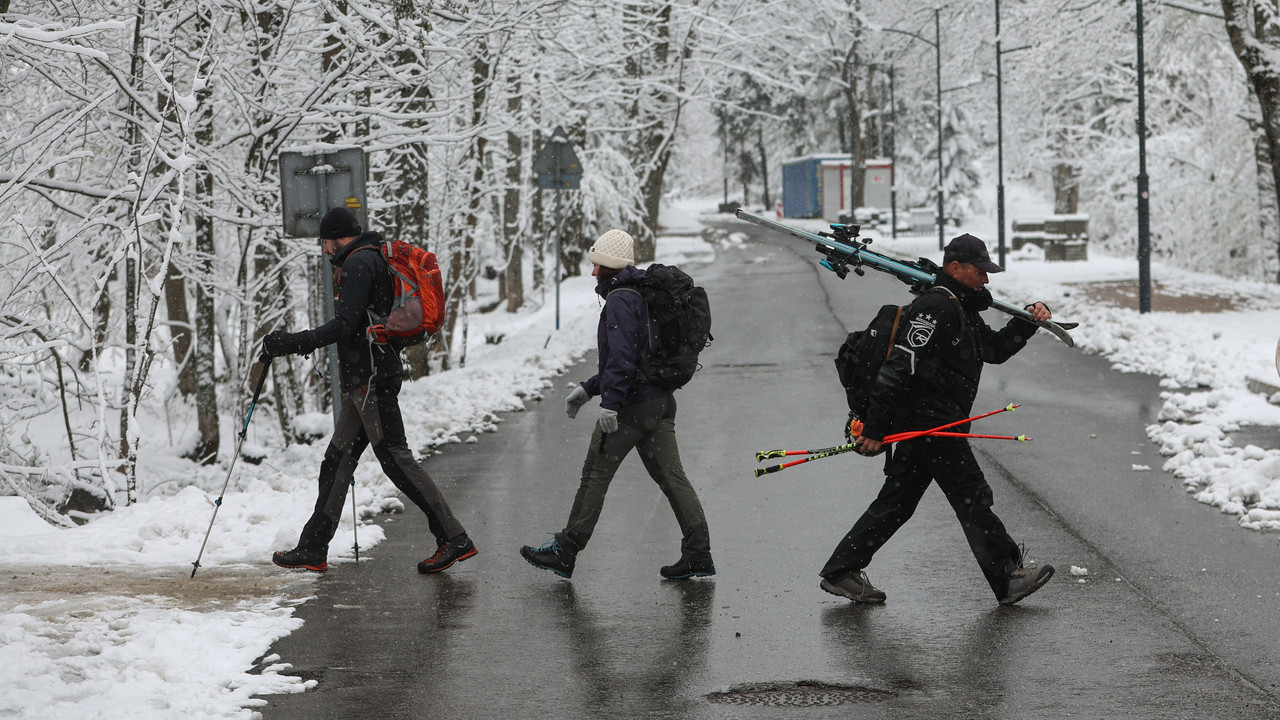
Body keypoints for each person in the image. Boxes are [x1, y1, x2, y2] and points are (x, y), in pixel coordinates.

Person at [820, 233, 1055, 606]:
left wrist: (1028, 321)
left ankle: (840, 571)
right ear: (955, 268)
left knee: (897, 502)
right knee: (972, 496)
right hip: (930, 424)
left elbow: (992, 350)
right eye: (980, 271)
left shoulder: (961, 308)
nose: (986, 280)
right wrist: (877, 429)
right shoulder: (938, 307)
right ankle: (1007, 576)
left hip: (933, 425)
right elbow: (900, 365)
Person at [262, 206, 476, 574]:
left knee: (395, 458)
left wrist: (292, 342)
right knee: (337, 460)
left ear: (335, 238)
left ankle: (453, 537)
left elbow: (345, 325)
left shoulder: (360, 264)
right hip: (366, 378)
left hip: (372, 378)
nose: (324, 251)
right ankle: (313, 548)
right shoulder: (370, 258)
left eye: (325, 243)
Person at [519, 229, 714, 580]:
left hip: (632, 406)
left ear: (609, 266)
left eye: (597, 265)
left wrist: (610, 403)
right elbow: (636, 357)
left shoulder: (621, 299)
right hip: (660, 402)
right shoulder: (641, 291)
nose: (593, 273)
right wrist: (589, 388)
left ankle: (566, 550)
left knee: (595, 474)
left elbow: (622, 358)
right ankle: (698, 553)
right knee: (673, 478)